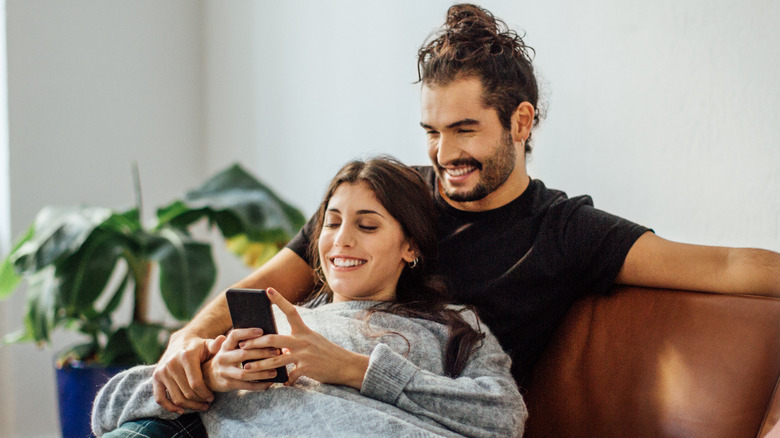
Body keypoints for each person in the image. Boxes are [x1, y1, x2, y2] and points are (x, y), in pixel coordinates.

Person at [152, 2, 780, 417]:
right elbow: (266, 285)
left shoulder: (565, 231)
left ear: (521, 122)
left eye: (464, 130)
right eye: (431, 131)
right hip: (299, 408)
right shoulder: (389, 198)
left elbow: (725, 267)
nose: (443, 154)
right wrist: (186, 344)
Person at [92, 157, 526, 437]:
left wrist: (354, 369)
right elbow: (111, 408)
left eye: (367, 226)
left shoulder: (452, 327)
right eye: (332, 224)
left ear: (410, 247)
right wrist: (206, 378)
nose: (342, 241)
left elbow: (504, 418)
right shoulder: (275, 321)